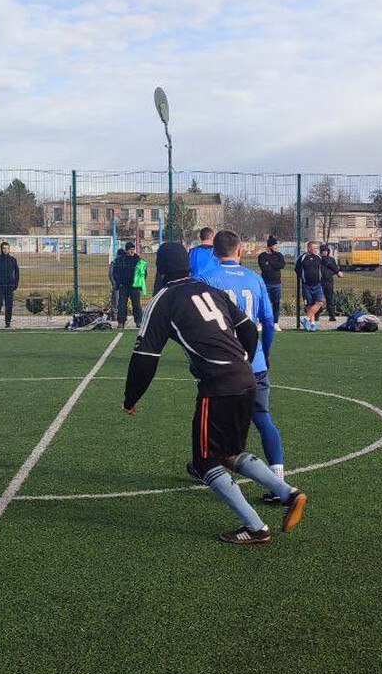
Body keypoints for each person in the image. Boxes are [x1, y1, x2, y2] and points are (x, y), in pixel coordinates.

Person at [122, 242, 307, 545]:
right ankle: (288, 493)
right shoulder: (209, 290)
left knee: (206, 462)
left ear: (161, 269)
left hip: (218, 387)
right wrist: (243, 361)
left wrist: (131, 399)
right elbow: (249, 329)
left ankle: (256, 527)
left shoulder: (164, 300)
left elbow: (145, 357)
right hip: (247, 378)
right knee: (230, 453)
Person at [200, 229, 288, 497]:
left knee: (212, 422)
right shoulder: (254, 279)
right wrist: (266, 351)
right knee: (262, 418)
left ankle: (208, 470)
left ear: (214, 253)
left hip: (222, 365)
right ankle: (278, 479)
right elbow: (268, 322)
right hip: (254, 361)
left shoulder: (205, 279)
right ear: (240, 251)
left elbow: (197, 325)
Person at [111, 242, 145, 328]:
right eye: (130, 249)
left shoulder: (138, 260)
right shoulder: (121, 260)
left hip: (135, 286)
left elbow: (143, 273)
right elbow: (115, 272)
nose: (132, 251)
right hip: (124, 286)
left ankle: (138, 321)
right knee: (122, 304)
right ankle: (121, 322)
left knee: (136, 304)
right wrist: (119, 283)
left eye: (133, 249)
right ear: (126, 250)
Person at [0, 241, 20, 328]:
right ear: (1, 249)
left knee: (9, 305)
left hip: (9, 286)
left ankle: (8, 322)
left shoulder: (13, 260)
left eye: (7, 248)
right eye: (4, 248)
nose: (5, 250)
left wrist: (15, 284)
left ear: (9, 249)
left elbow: (17, 273)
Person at [257, 235, 286, 330]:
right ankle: (261, 323)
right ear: (270, 246)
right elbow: (264, 268)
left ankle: (275, 323)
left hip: (277, 284)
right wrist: (273, 264)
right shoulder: (262, 256)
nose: (276, 247)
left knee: (276, 303)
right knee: (264, 304)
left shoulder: (279, 255)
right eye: (274, 245)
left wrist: (270, 263)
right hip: (265, 283)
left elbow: (281, 265)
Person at [295, 241, 326, 331]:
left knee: (319, 303)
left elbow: (327, 265)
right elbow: (297, 269)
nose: (316, 250)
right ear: (309, 248)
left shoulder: (319, 258)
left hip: (317, 284)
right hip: (306, 285)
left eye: (317, 248)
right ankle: (312, 324)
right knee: (309, 304)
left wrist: (337, 271)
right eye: (314, 248)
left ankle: (306, 319)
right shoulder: (302, 257)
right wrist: (302, 277)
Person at [317, 244, 345, 322]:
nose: (324, 253)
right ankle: (317, 315)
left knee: (330, 299)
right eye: (323, 251)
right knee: (318, 299)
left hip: (329, 281)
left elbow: (334, 267)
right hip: (320, 282)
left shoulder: (331, 259)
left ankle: (332, 316)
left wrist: (332, 273)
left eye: (326, 251)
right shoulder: (319, 259)